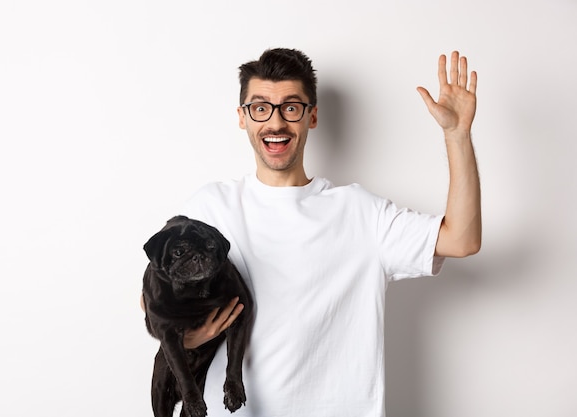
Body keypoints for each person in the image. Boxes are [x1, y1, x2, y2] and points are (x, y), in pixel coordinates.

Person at [148, 47, 481, 417]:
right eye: (260, 108)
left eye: (290, 107)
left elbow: (462, 239)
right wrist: (189, 339)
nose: (275, 123)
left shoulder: (359, 212)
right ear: (243, 118)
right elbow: (153, 296)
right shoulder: (208, 208)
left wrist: (457, 135)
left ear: (312, 116)